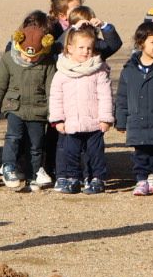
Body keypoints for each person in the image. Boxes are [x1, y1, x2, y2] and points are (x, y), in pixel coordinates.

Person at [0, 11, 55, 192]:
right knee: (13, 137)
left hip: (38, 110)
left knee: (36, 145)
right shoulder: (9, 58)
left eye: (34, 57)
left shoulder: (48, 63)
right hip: (14, 107)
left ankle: (34, 174)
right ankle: (8, 166)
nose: (29, 59)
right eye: (26, 55)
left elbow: (51, 89)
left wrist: (53, 112)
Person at [48, 24, 112, 194]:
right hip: (70, 124)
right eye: (81, 47)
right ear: (69, 48)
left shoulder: (98, 71)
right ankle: (73, 178)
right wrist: (58, 120)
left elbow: (105, 96)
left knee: (95, 154)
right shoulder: (61, 73)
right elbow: (55, 98)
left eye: (89, 48)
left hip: (94, 124)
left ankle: (96, 179)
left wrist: (105, 119)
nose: (85, 51)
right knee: (70, 154)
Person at [114, 20, 153, 196]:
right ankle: (141, 180)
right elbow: (123, 97)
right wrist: (121, 119)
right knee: (141, 154)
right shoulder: (129, 70)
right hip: (137, 122)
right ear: (141, 43)